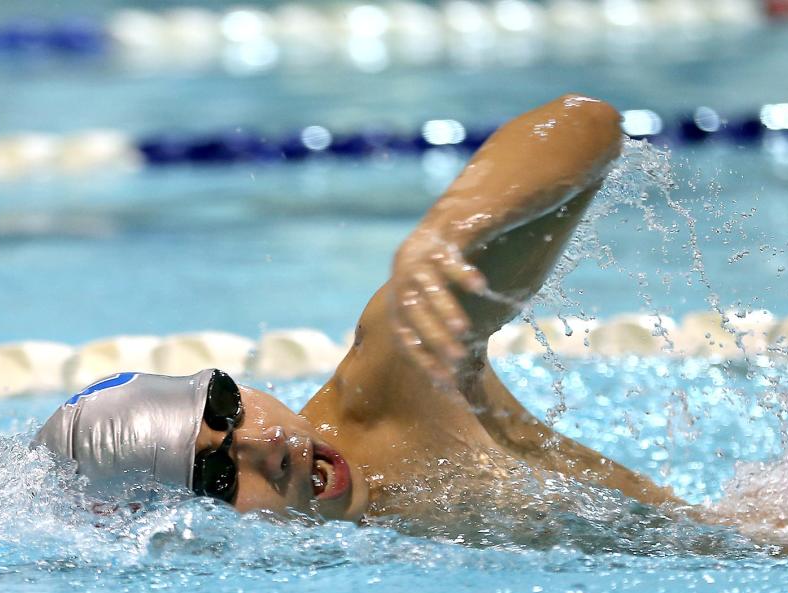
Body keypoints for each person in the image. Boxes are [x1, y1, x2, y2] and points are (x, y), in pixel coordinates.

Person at [34, 93, 682, 525]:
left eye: (226, 406)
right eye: (214, 473)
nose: (268, 444)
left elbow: (588, 122)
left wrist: (446, 234)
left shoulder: (393, 391)